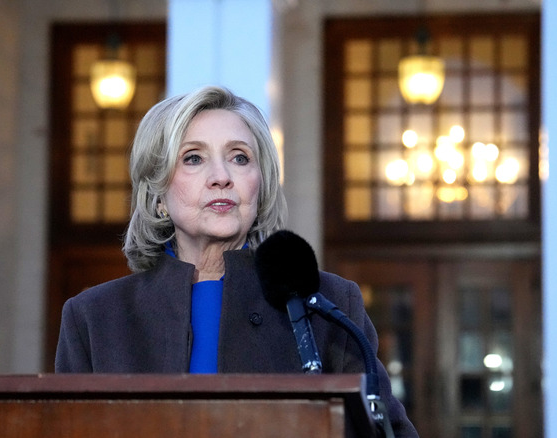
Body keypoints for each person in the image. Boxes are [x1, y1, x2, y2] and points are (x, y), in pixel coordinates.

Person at [55, 85, 418, 437]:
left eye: (239, 157)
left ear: (259, 187)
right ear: (158, 195)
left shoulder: (330, 305)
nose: (222, 178)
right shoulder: (94, 317)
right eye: (193, 158)